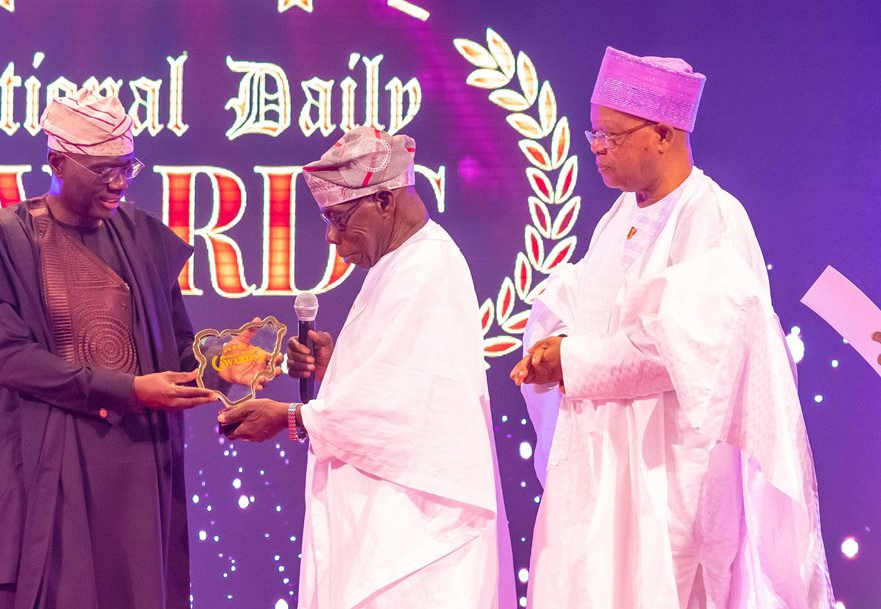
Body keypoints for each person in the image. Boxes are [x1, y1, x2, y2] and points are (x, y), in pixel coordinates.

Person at [512, 47, 833, 609]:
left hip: (669, 484)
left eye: (611, 135)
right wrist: (552, 346)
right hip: (601, 472)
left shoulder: (711, 217)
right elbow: (582, 302)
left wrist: (574, 361)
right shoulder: (619, 219)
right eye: (593, 134)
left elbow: (679, 347)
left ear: (663, 132)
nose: (597, 149)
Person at [0, 89, 218, 609]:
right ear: (57, 161)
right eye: (105, 170)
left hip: (135, 468)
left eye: (128, 166)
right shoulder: (5, 237)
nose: (120, 182)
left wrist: (230, 363)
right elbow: (12, 361)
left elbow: (178, 350)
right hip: (48, 464)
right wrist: (129, 389)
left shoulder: (142, 237)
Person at [217, 127, 515, 609]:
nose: (332, 237)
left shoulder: (426, 270)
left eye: (338, 219)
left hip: (419, 540)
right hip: (395, 529)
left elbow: (402, 413)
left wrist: (291, 417)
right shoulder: (400, 264)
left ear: (383, 201)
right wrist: (335, 369)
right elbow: (392, 386)